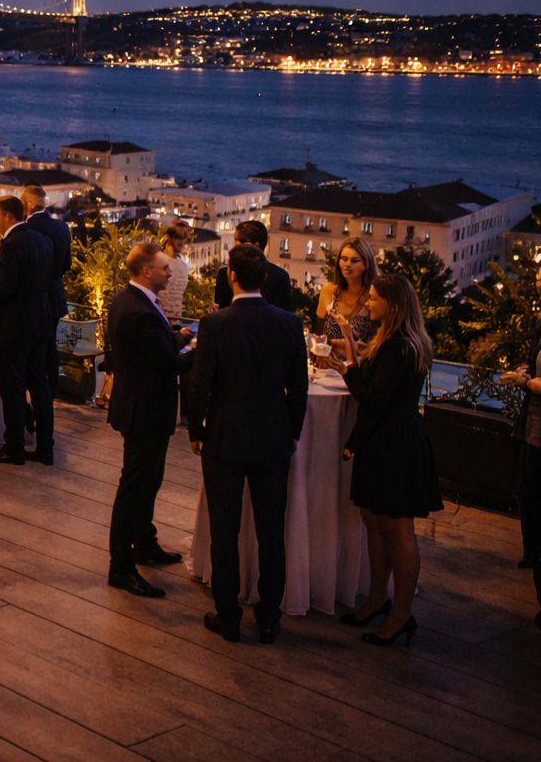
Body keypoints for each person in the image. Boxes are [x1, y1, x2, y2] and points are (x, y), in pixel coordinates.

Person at [188, 245, 309, 644]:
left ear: (231, 276)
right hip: (273, 437)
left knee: (225, 530)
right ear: (266, 279)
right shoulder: (290, 324)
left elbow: (201, 384)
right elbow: (299, 387)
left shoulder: (215, 323)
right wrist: (292, 430)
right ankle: (270, 618)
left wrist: (196, 430)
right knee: (272, 530)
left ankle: (228, 617)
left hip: (225, 436)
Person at [328, 274, 443, 646]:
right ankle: (378, 598)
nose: (368, 304)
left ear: (392, 306)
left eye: (374, 299)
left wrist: (347, 371)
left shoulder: (396, 347)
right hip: (390, 439)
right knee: (375, 520)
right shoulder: (406, 341)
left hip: (393, 444)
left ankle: (400, 614)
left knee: (397, 529)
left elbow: (374, 400)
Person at [104, 241, 195, 598]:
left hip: (143, 406)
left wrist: (176, 337)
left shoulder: (130, 300)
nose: (170, 272)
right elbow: (170, 364)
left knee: (149, 481)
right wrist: (200, 350)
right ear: (146, 271)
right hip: (144, 410)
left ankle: (144, 543)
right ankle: (120, 568)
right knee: (134, 488)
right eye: (163, 268)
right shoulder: (140, 310)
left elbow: (150, 345)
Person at [0, 196, 56, 466]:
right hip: (40, 322)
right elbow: (30, 280)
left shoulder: (11, 244)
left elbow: (6, 290)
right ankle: (44, 448)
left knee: (13, 387)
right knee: (39, 386)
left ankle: (14, 446)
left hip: (15, 326)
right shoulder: (42, 239)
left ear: (7, 216)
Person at [498, 261, 541, 628]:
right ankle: (533, 554)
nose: (539, 284)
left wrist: (524, 383)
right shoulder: (540, 320)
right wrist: (525, 372)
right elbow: (534, 364)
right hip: (532, 426)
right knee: (527, 489)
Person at [23, 185, 72, 419]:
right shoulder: (62, 227)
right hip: (55, 296)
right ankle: (50, 395)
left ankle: (31, 402)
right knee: (50, 348)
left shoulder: (26, 229)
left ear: (28, 205)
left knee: (31, 351)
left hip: (33, 298)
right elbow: (66, 265)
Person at [316, 236, 378, 360]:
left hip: (360, 368)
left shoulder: (374, 296)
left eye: (355, 260)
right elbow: (318, 335)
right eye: (344, 259)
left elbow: (376, 344)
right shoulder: (329, 291)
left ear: (366, 264)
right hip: (328, 368)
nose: (347, 264)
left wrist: (336, 344)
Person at [214, 219, 293, 310]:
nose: (234, 249)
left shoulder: (279, 277)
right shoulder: (280, 276)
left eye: (238, 244)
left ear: (256, 246)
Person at [156, 219, 193, 322]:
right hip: (160, 318)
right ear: (170, 238)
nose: (182, 242)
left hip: (177, 320)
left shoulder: (184, 266)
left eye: (184, 238)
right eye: (178, 237)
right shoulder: (158, 261)